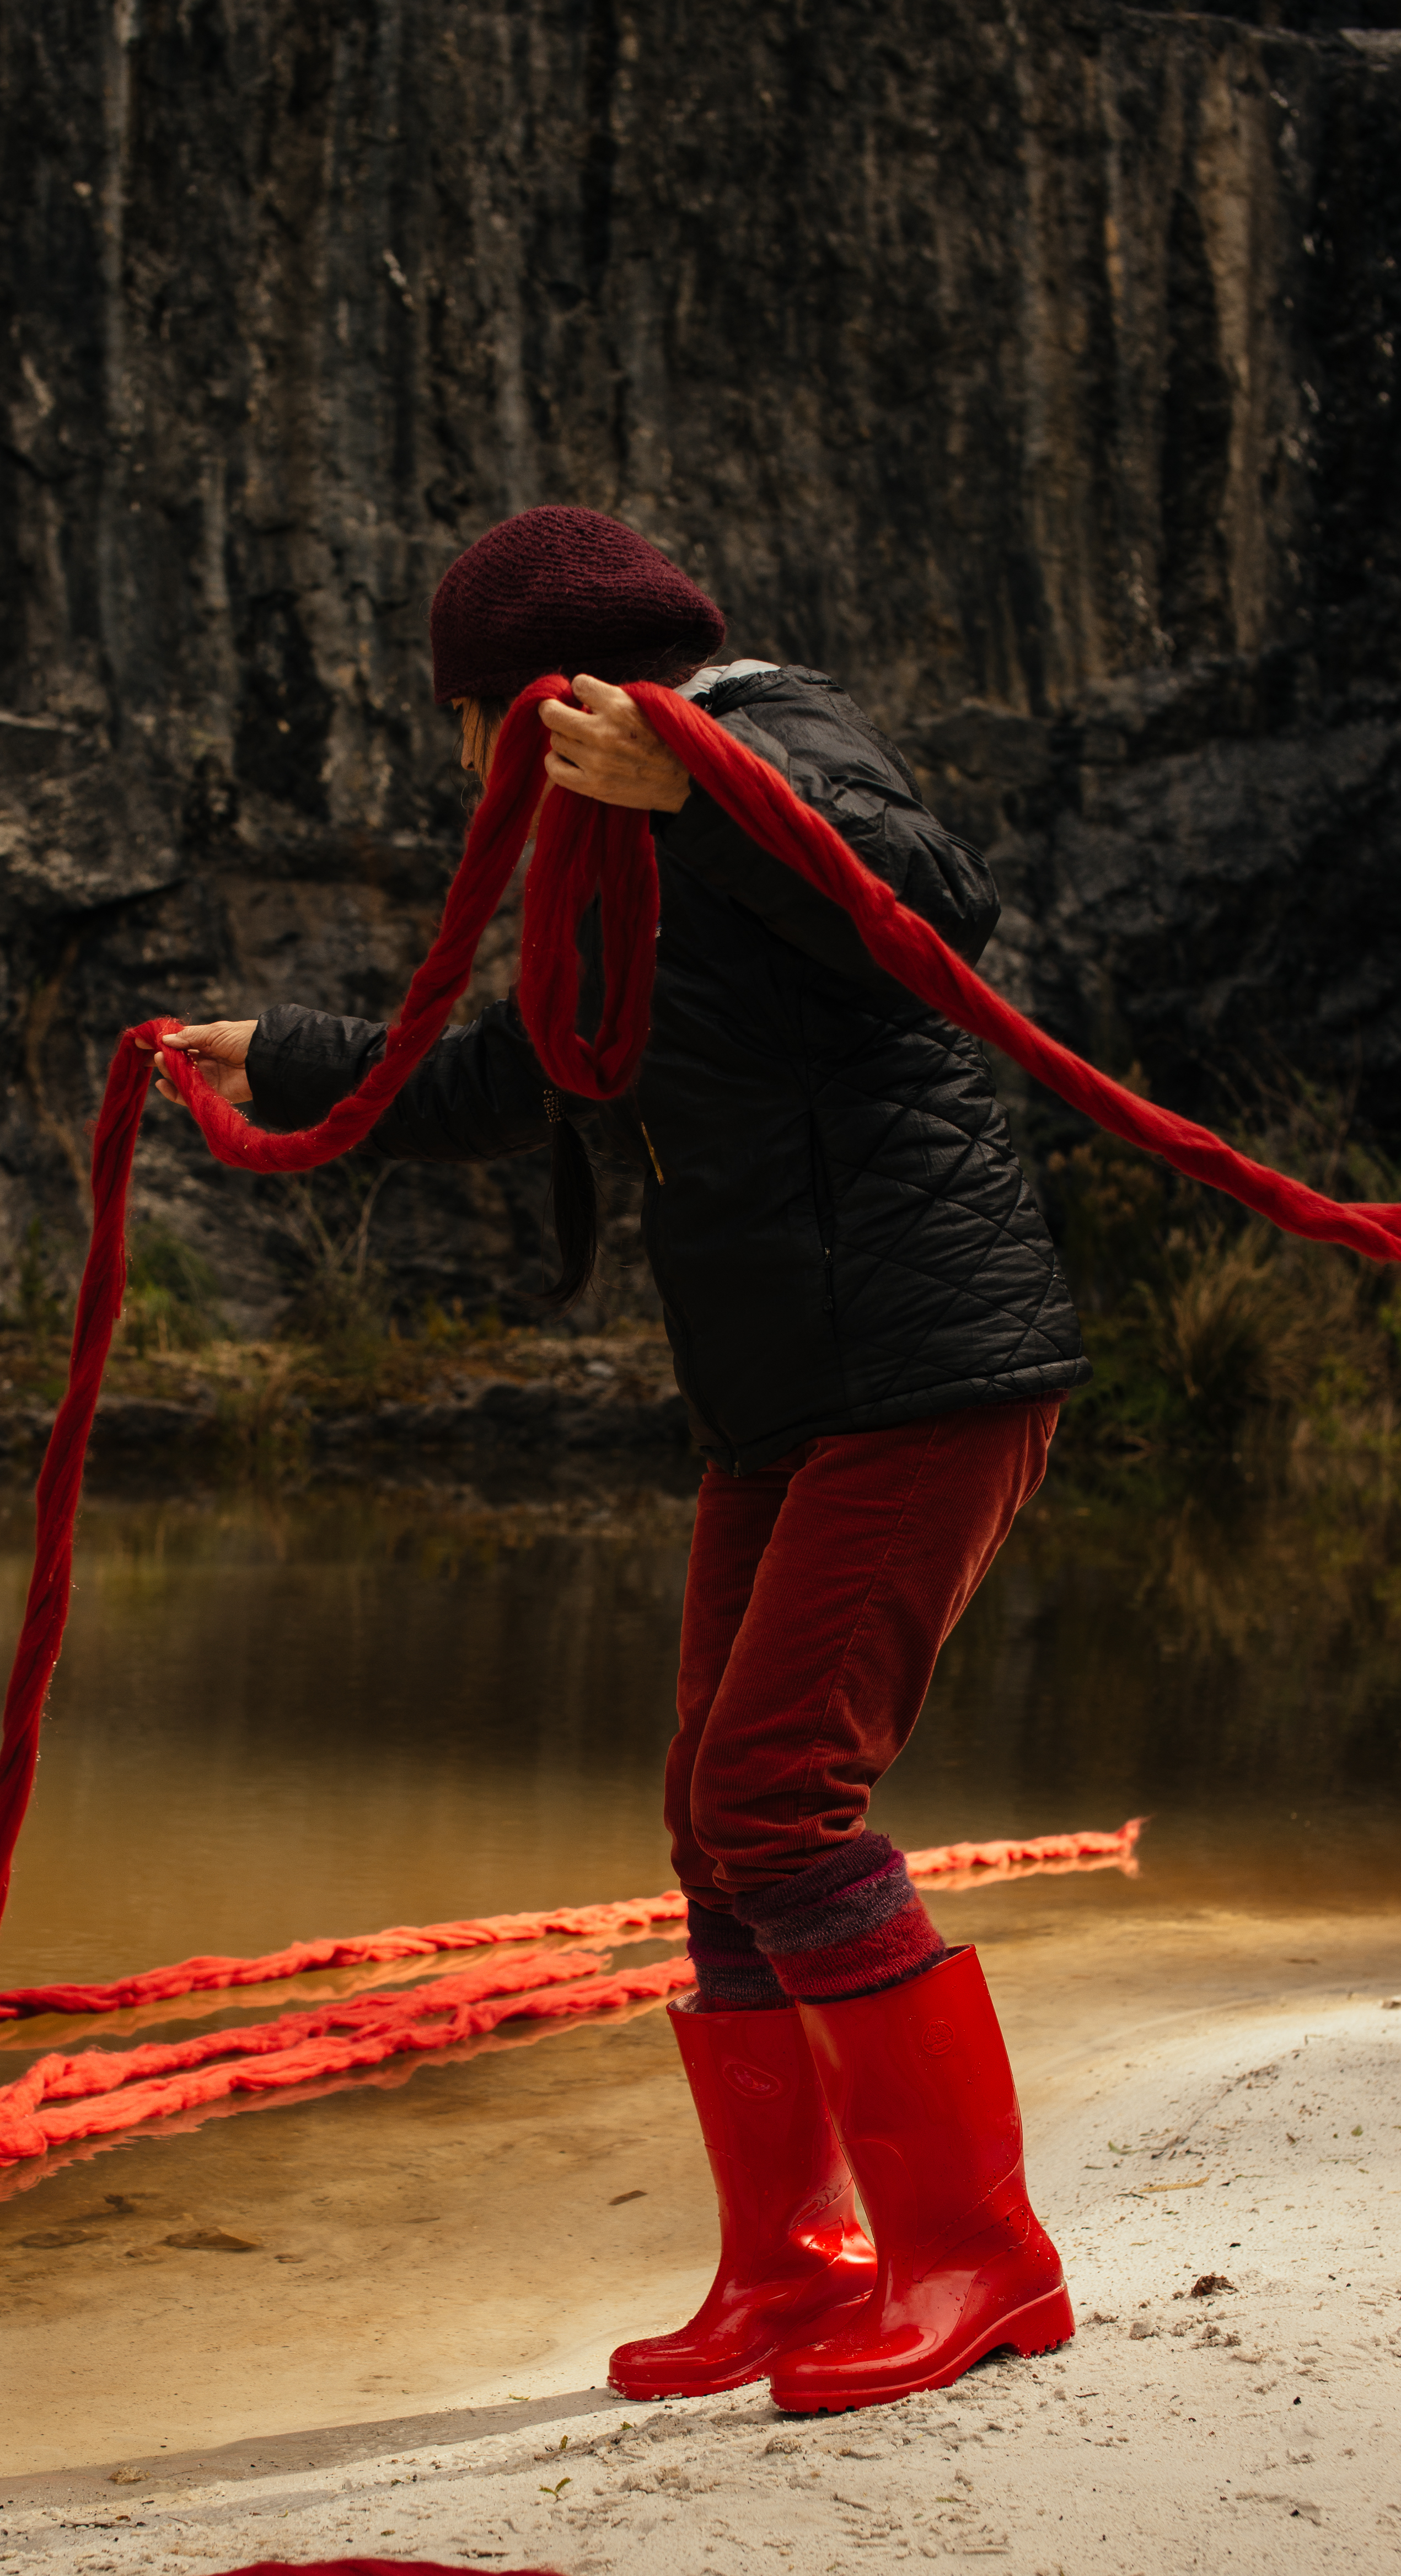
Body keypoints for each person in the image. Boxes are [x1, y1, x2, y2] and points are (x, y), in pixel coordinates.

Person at [152, 506, 1091, 2414]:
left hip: (923, 1364)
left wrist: (702, 777)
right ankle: (801, 2269)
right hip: (783, 1397)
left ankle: (980, 2264)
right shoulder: (615, 842)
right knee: (710, 1820)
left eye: (478, 716)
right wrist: (305, 1058)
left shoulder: (764, 726)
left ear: (560, 690)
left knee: (772, 1797)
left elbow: (933, 898)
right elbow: (536, 1074)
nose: (472, 761)